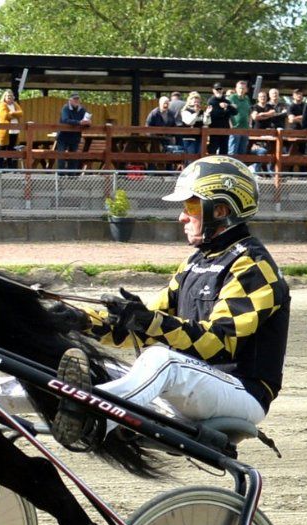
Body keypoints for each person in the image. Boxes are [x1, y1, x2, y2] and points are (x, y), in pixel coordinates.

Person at [45, 155, 290, 451]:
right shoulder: (195, 263)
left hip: (241, 392)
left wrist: (150, 322)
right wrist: (82, 320)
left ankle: (93, 418)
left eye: (190, 207)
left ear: (221, 210)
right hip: (193, 384)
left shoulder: (253, 266)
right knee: (95, 365)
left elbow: (216, 343)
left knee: (160, 359)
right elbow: (147, 323)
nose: (182, 217)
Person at [56, 92, 90, 172]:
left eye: (77, 99)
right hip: (63, 136)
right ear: (70, 100)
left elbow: (86, 120)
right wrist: (79, 122)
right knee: (61, 156)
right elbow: (65, 120)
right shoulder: (65, 108)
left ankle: (72, 176)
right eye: (74, 99)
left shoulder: (82, 109)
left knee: (74, 157)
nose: (76, 101)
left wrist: (88, 123)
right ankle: (61, 175)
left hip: (75, 137)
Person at [204, 82, 236, 156]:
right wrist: (225, 110)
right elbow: (215, 114)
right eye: (217, 89)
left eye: (220, 89)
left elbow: (235, 112)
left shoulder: (226, 101)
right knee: (213, 149)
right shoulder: (211, 101)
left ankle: (223, 163)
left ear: (222, 90)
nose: (219, 90)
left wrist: (227, 106)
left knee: (224, 150)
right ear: (213, 90)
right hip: (214, 128)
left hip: (225, 129)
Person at [0, 89, 24, 168]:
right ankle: (1, 168)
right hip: (5, 131)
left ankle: (10, 167)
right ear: (4, 97)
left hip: (14, 130)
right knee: (2, 149)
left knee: (11, 148)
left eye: (11, 96)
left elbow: (21, 113)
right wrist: (15, 114)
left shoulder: (15, 104)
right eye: (8, 96)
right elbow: (5, 115)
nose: (10, 97)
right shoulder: (2, 105)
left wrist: (12, 113)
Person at [227, 79, 253, 156]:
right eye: (240, 88)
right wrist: (230, 125)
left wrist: (250, 124)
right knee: (233, 151)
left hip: (245, 128)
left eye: (243, 88)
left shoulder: (247, 98)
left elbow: (249, 112)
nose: (241, 90)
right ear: (236, 89)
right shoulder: (231, 98)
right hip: (235, 127)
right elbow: (227, 112)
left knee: (242, 152)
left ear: (246, 89)